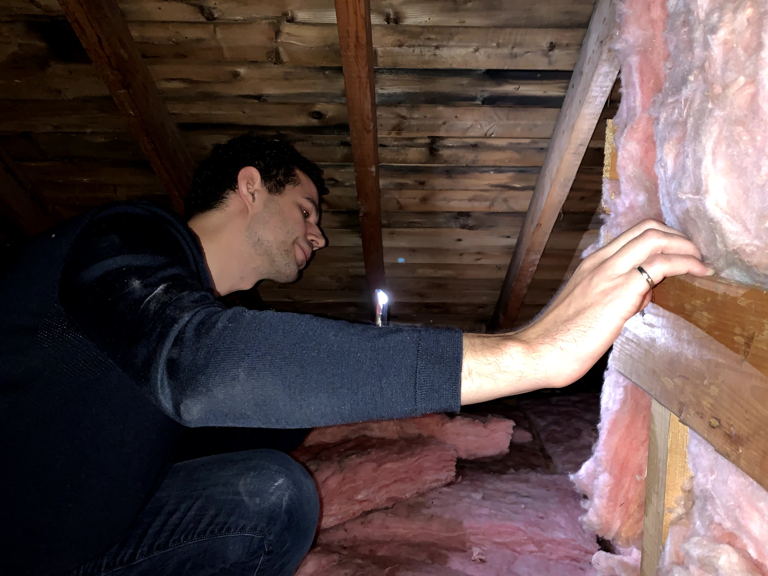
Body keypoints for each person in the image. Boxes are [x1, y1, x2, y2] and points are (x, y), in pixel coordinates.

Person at [0, 134, 712, 576]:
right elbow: (204, 367)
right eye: (307, 210)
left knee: (274, 494)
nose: (319, 237)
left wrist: (426, 428)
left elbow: (275, 416)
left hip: (101, 531)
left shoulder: (226, 314)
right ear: (251, 187)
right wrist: (530, 351)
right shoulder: (124, 238)